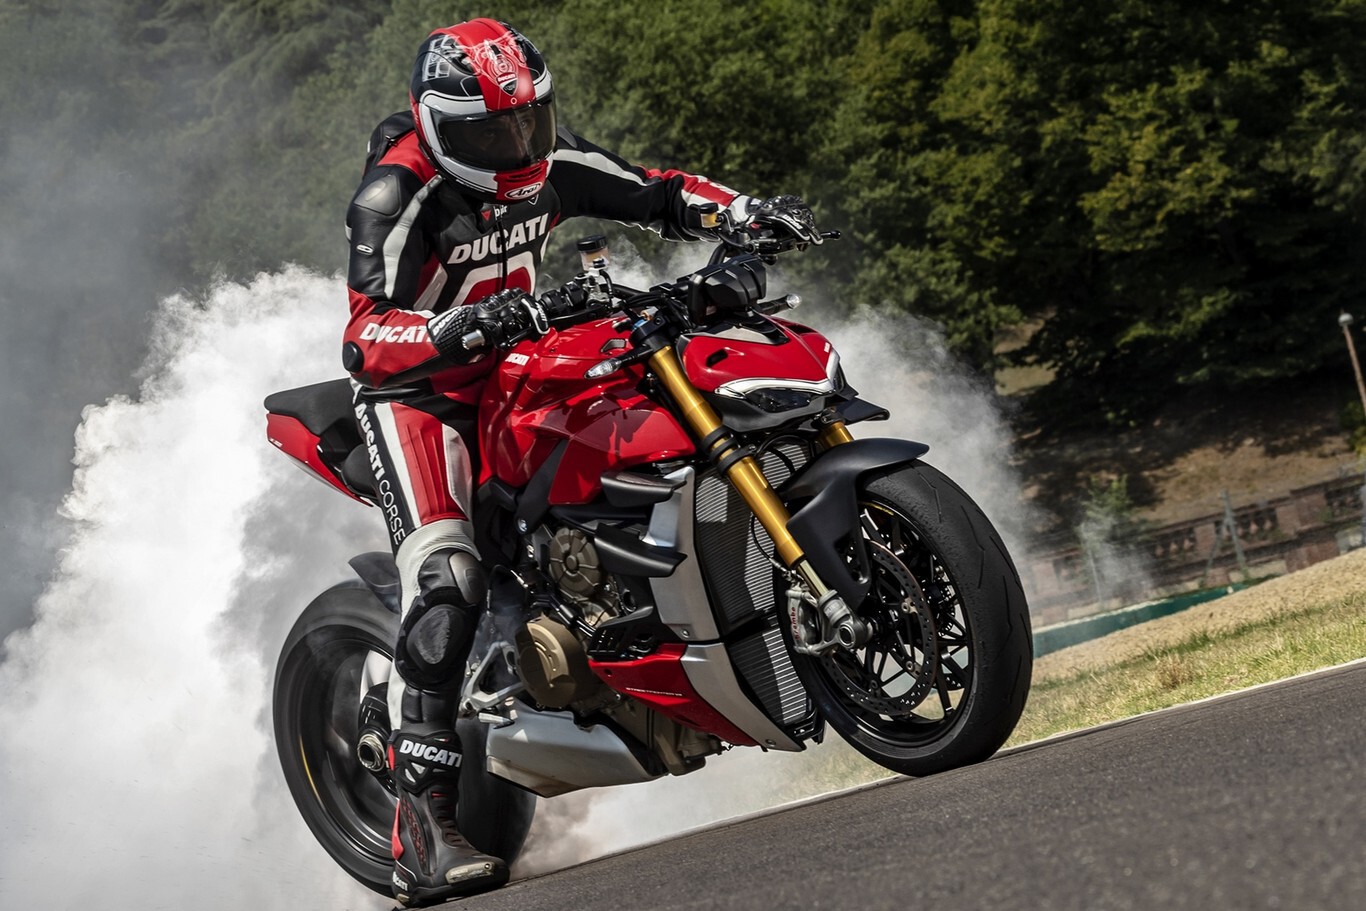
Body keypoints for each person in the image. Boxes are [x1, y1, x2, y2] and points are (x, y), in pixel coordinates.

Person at [341, 18, 819, 906]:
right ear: (438, 125)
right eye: (492, 133)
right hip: (421, 395)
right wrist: (459, 324)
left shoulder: (545, 161)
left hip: (522, 362)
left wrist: (742, 211)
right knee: (448, 579)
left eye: (529, 120)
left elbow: (657, 191)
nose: (517, 145)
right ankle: (422, 825)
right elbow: (366, 338)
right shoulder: (396, 193)